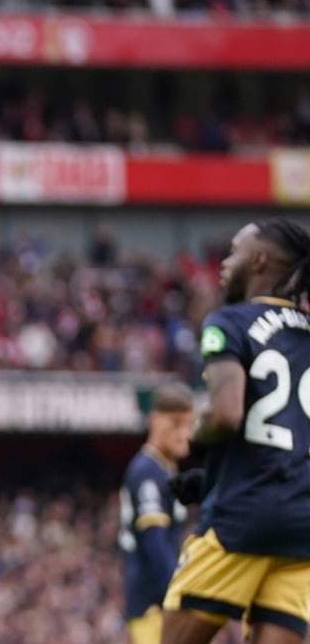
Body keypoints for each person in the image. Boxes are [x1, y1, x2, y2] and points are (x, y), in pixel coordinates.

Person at [162, 218, 310, 644]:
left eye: (233, 251)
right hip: (302, 526)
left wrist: (194, 436)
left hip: (241, 519)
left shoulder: (229, 321)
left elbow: (226, 414)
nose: (225, 263)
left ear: (260, 259)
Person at [120, 381, 196, 644]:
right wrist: (178, 599)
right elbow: (155, 544)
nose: (184, 433)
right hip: (152, 608)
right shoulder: (147, 473)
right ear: (153, 421)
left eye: (189, 424)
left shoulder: (164, 470)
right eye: (175, 423)